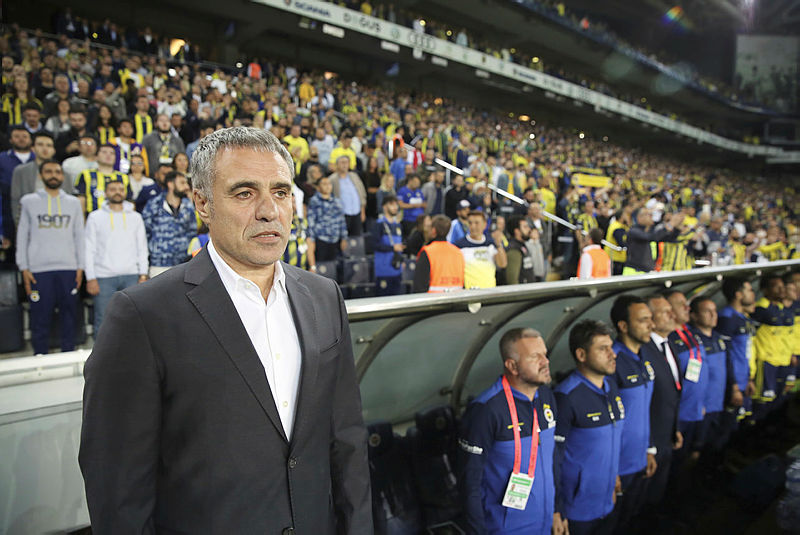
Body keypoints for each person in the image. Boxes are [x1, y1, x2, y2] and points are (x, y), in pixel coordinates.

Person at [79, 127, 372, 533]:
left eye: (281, 192)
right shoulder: (142, 315)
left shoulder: (324, 296)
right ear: (202, 202)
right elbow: (117, 487)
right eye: (245, 193)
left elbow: (347, 441)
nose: (269, 211)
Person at [459, 327, 565, 535]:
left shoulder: (546, 396)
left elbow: (553, 458)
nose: (545, 362)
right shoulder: (486, 409)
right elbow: (469, 483)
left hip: (544, 523)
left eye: (545, 354)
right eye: (535, 357)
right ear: (512, 366)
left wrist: (556, 510)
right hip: (504, 528)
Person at [555, 319, 624, 535]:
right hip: (576, 510)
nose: (612, 354)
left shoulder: (610, 386)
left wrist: (613, 476)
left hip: (606, 500)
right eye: (603, 349)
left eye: (611, 347)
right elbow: (552, 458)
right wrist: (557, 509)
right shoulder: (566, 397)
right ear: (581, 355)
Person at [16, 159, 84, 355]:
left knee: (69, 315)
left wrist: (80, 267)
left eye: (57, 172)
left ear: (62, 176)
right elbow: (22, 236)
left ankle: (68, 355)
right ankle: (40, 357)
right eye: (49, 171)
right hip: (39, 269)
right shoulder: (29, 201)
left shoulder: (73, 203)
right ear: (41, 175)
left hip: (68, 268)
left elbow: (79, 236)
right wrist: (24, 268)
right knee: (40, 316)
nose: (54, 175)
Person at [608, 294, 658, 533]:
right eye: (643, 320)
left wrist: (649, 448)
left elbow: (643, 410)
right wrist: (611, 471)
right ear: (623, 326)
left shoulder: (643, 356)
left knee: (632, 519)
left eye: (650, 319)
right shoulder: (613, 362)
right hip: (619, 466)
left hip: (639, 458)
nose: (651, 325)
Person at [84, 179, 148, 336]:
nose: (117, 192)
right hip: (103, 277)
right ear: (106, 193)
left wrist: (143, 274)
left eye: (120, 189)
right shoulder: (95, 217)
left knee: (133, 319)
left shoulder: (136, 217)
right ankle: (101, 353)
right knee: (103, 320)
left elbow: (142, 247)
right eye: (113, 189)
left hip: (132, 276)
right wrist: (90, 278)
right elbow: (88, 249)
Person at [643, 294, 683, 507]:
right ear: (651, 318)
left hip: (667, 435)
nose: (672, 315)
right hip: (650, 441)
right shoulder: (643, 350)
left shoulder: (669, 345)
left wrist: (675, 428)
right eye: (666, 312)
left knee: (659, 493)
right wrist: (648, 446)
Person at [666, 290, 708, 464]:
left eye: (687, 303)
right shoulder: (668, 339)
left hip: (697, 410)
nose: (687, 307)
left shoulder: (690, 332)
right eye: (681, 304)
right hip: (679, 416)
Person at [688, 297, 730, 453]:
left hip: (718, 403)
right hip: (701, 408)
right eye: (707, 311)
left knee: (715, 446)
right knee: (695, 450)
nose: (713, 315)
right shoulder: (692, 342)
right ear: (694, 316)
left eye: (714, 311)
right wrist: (698, 403)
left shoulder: (718, 339)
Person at [750, 274, 793, 420]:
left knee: (778, 399)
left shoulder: (781, 309)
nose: (782, 290)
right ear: (765, 290)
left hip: (783, 361)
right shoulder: (760, 310)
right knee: (762, 402)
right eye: (776, 287)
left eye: (782, 286)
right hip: (766, 362)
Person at [717, 278, 757, 426]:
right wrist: (733, 386)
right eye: (749, 290)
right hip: (732, 384)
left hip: (743, 381)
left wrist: (749, 378)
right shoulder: (727, 318)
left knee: (738, 424)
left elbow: (745, 353)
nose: (753, 293)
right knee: (725, 426)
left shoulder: (743, 318)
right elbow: (725, 354)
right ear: (738, 294)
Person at [11, 131, 73, 227]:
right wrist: (19, 226)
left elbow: (69, 203)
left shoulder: (65, 174)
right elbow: (15, 201)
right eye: (40, 145)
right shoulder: (21, 171)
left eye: (49, 145)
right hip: (29, 223)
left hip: (59, 223)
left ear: (54, 150)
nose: (45, 149)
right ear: (33, 148)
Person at [141, 170, 196, 277]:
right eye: (182, 183)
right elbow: (145, 232)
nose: (186, 187)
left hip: (183, 263)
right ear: (170, 184)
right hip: (159, 264)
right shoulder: (154, 205)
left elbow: (192, 232)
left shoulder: (188, 206)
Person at [454, 210, 507, 289]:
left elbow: (502, 264)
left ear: (484, 225)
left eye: (477, 223)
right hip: (470, 292)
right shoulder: (459, 246)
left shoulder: (491, 243)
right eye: (470, 223)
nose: (473, 226)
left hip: (490, 291)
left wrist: (498, 244)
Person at [413, 214, 464, 293]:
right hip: (456, 297)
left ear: (433, 231)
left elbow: (419, 285)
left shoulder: (427, 252)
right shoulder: (458, 252)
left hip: (433, 298)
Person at [623, 208, 683, 275]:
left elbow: (668, 239)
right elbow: (651, 237)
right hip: (634, 272)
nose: (652, 216)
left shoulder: (651, 231)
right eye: (649, 214)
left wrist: (677, 228)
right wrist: (671, 224)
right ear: (639, 217)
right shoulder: (633, 231)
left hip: (646, 272)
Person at [307, 174, 348, 271]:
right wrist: (311, 239)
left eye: (329, 184)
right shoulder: (314, 201)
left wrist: (344, 238)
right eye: (324, 184)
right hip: (321, 240)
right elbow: (311, 221)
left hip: (335, 240)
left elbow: (342, 221)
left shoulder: (337, 201)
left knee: (335, 269)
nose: (328, 186)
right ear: (318, 187)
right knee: (322, 270)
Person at [75, 143, 131, 215]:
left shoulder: (123, 177)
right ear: (96, 156)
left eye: (112, 153)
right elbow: (81, 199)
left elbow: (129, 201)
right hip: (92, 217)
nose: (108, 155)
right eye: (104, 152)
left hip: (119, 217)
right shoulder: (86, 174)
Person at [374, 194, 405, 296]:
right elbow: (374, 245)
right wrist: (392, 248)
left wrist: (402, 260)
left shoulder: (398, 225)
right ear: (384, 207)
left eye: (396, 204)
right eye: (391, 204)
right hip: (384, 270)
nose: (395, 207)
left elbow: (399, 246)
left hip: (397, 270)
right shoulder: (379, 224)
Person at [328, 155, 366, 236]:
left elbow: (362, 193)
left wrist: (363, 211)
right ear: (337, 165)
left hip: (356, 212)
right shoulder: (332, 179)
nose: (344, 165)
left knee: (356, 238)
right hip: (342, 214)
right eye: (342, 162)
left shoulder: (354, 176)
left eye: (346, 162)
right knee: (343, 238)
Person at [505, 215, 535, 285]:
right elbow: (512, 279)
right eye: (525, 227)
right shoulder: (514, 249)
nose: (529, 229)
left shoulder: (522, 245)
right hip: (522, 290)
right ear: (517, 231)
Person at [396, 173, 425, 238]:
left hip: (419, 220)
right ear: (410, 181)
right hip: (408, 220)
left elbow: (424, 203)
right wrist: (414, 205)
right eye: (415, 182)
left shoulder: (419, 191)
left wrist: (422, 205)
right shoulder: (402, 191)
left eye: (418, 183)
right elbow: (400, 205)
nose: (417, 184)